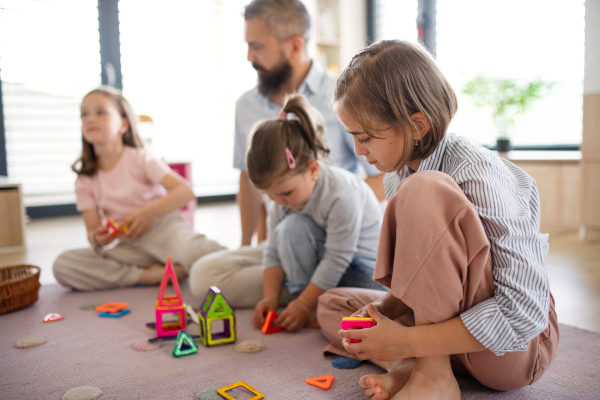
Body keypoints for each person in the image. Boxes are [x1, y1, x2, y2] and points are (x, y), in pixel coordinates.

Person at [316, 40, 559, 399]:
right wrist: (386, 310)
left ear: (417, 126)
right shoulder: (396, 173)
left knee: (423, 188)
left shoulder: (475, 171)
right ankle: (411, 369)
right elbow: (431, 277)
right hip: (450, 338)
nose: (357, 150)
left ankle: (432, 377)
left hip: (509, 351)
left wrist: (407, 339)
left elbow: (524, 313)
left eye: (365, 137)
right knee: (333, 306)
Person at [192, 94, 384, 330]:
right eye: (269, 195)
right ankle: (304, 297)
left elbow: (337, 258)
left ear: (313, 169)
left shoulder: (341, 192)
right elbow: (272, 252)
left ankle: (309, 301)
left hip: (363, 272)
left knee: (293, 228)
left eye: (284, 193)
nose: (277, 202)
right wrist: (269, 298)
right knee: (287, 230)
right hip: (320, 265)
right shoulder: (281, 198)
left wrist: (303, 303)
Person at [234, 0, 384, 247]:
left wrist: (333, 212)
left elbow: (383, 178)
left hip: (337, 237)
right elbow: (248, 178)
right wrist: (244, 244)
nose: (249, 56)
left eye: (256, 46)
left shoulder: (346, 96)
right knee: (205, 274)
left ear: (295, 45)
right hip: (282, 238)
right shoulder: (245, 105)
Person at [53, 86, 225, 291]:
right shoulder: (84, 180)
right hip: (129, 245)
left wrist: (147, 213)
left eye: (100, 112)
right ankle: (149, 275)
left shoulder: (140, 159)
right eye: (84, 114)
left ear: (123, 124)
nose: (90, 119)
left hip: (165, 231)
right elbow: (92, 233)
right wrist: (99, 237)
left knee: (198, 253)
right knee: (63, 265)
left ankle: (176, 265)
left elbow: (185, 191)